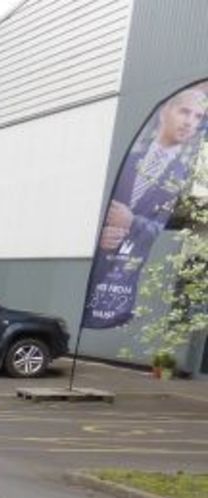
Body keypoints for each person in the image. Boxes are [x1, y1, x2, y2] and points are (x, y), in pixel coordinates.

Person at [85, 83, 208, 330]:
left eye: (198, 117)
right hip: (94, 269)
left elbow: (162, 230)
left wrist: (131, 222)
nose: (189, 122)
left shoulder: (182, 176)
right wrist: (99, 234)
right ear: (165, 112)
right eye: (184, 112)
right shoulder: (128, 157)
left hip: (124, 281)